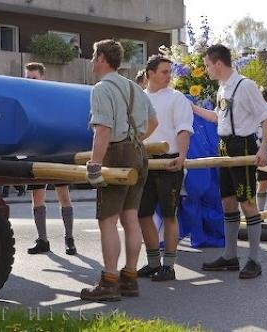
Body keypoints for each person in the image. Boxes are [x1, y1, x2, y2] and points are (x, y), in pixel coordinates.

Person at [80, 39, 158, 302]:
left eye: (93, 56)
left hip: (116, 153)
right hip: (138, 153)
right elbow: (153, 122)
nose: (92, 61)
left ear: (102, 58)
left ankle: (109, 282)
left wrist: (95, 164)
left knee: (108, 220)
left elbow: (102, 131)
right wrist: (136, 139)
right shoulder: (135, 88)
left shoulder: (101, 89)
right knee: (131, 218)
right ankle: (130, 278)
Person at [192, 44, 267, 279]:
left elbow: (265, 118)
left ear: (218, 63)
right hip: (224, 146)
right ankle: (230, 255)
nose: (206, 70)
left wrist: (264, 147)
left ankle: (255, 260)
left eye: (207, 65)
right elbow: (218, 118)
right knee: (227, 202)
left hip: (243, 146)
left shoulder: (245, 85)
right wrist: (192, 108)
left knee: (247, 202)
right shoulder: (222, 87)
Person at [137, 55, 193, 281]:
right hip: (145, 161)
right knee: (143, 214)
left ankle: (168, 266)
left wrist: (181, 156)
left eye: (170, 72)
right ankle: (152, 263)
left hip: (169, 161)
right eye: (164, 72)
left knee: (170, 214)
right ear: (150, 74)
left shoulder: (176, 98)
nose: (169, 76)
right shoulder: (139, 98)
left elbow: (183, 129)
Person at [22, 62, 76, 256]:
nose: (30, 81)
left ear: (42, 77)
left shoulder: (53, 94)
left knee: (63, 193)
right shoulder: (25, 96)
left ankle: (69, 239)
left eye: (33, 77)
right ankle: (42, 240)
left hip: (56, 149)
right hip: (34, 150)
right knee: (37, 196)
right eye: (27, 77)